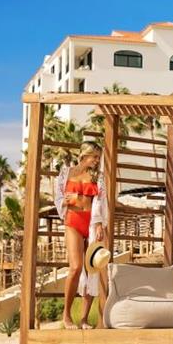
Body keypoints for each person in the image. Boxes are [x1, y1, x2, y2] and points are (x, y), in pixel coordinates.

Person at [55, 141, 107, 329]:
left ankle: (84, 319)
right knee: (76, 267)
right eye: (94, 157)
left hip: (92, 224)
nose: (96, 161)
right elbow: (59, 198)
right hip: (74, 221)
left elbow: (101, 200)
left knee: (92, 269)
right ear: (84, 155)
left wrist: (100, 222)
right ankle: (66, 315)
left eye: (98, 158)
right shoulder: (66, 173)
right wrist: (72, 201)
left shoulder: (98, 177)